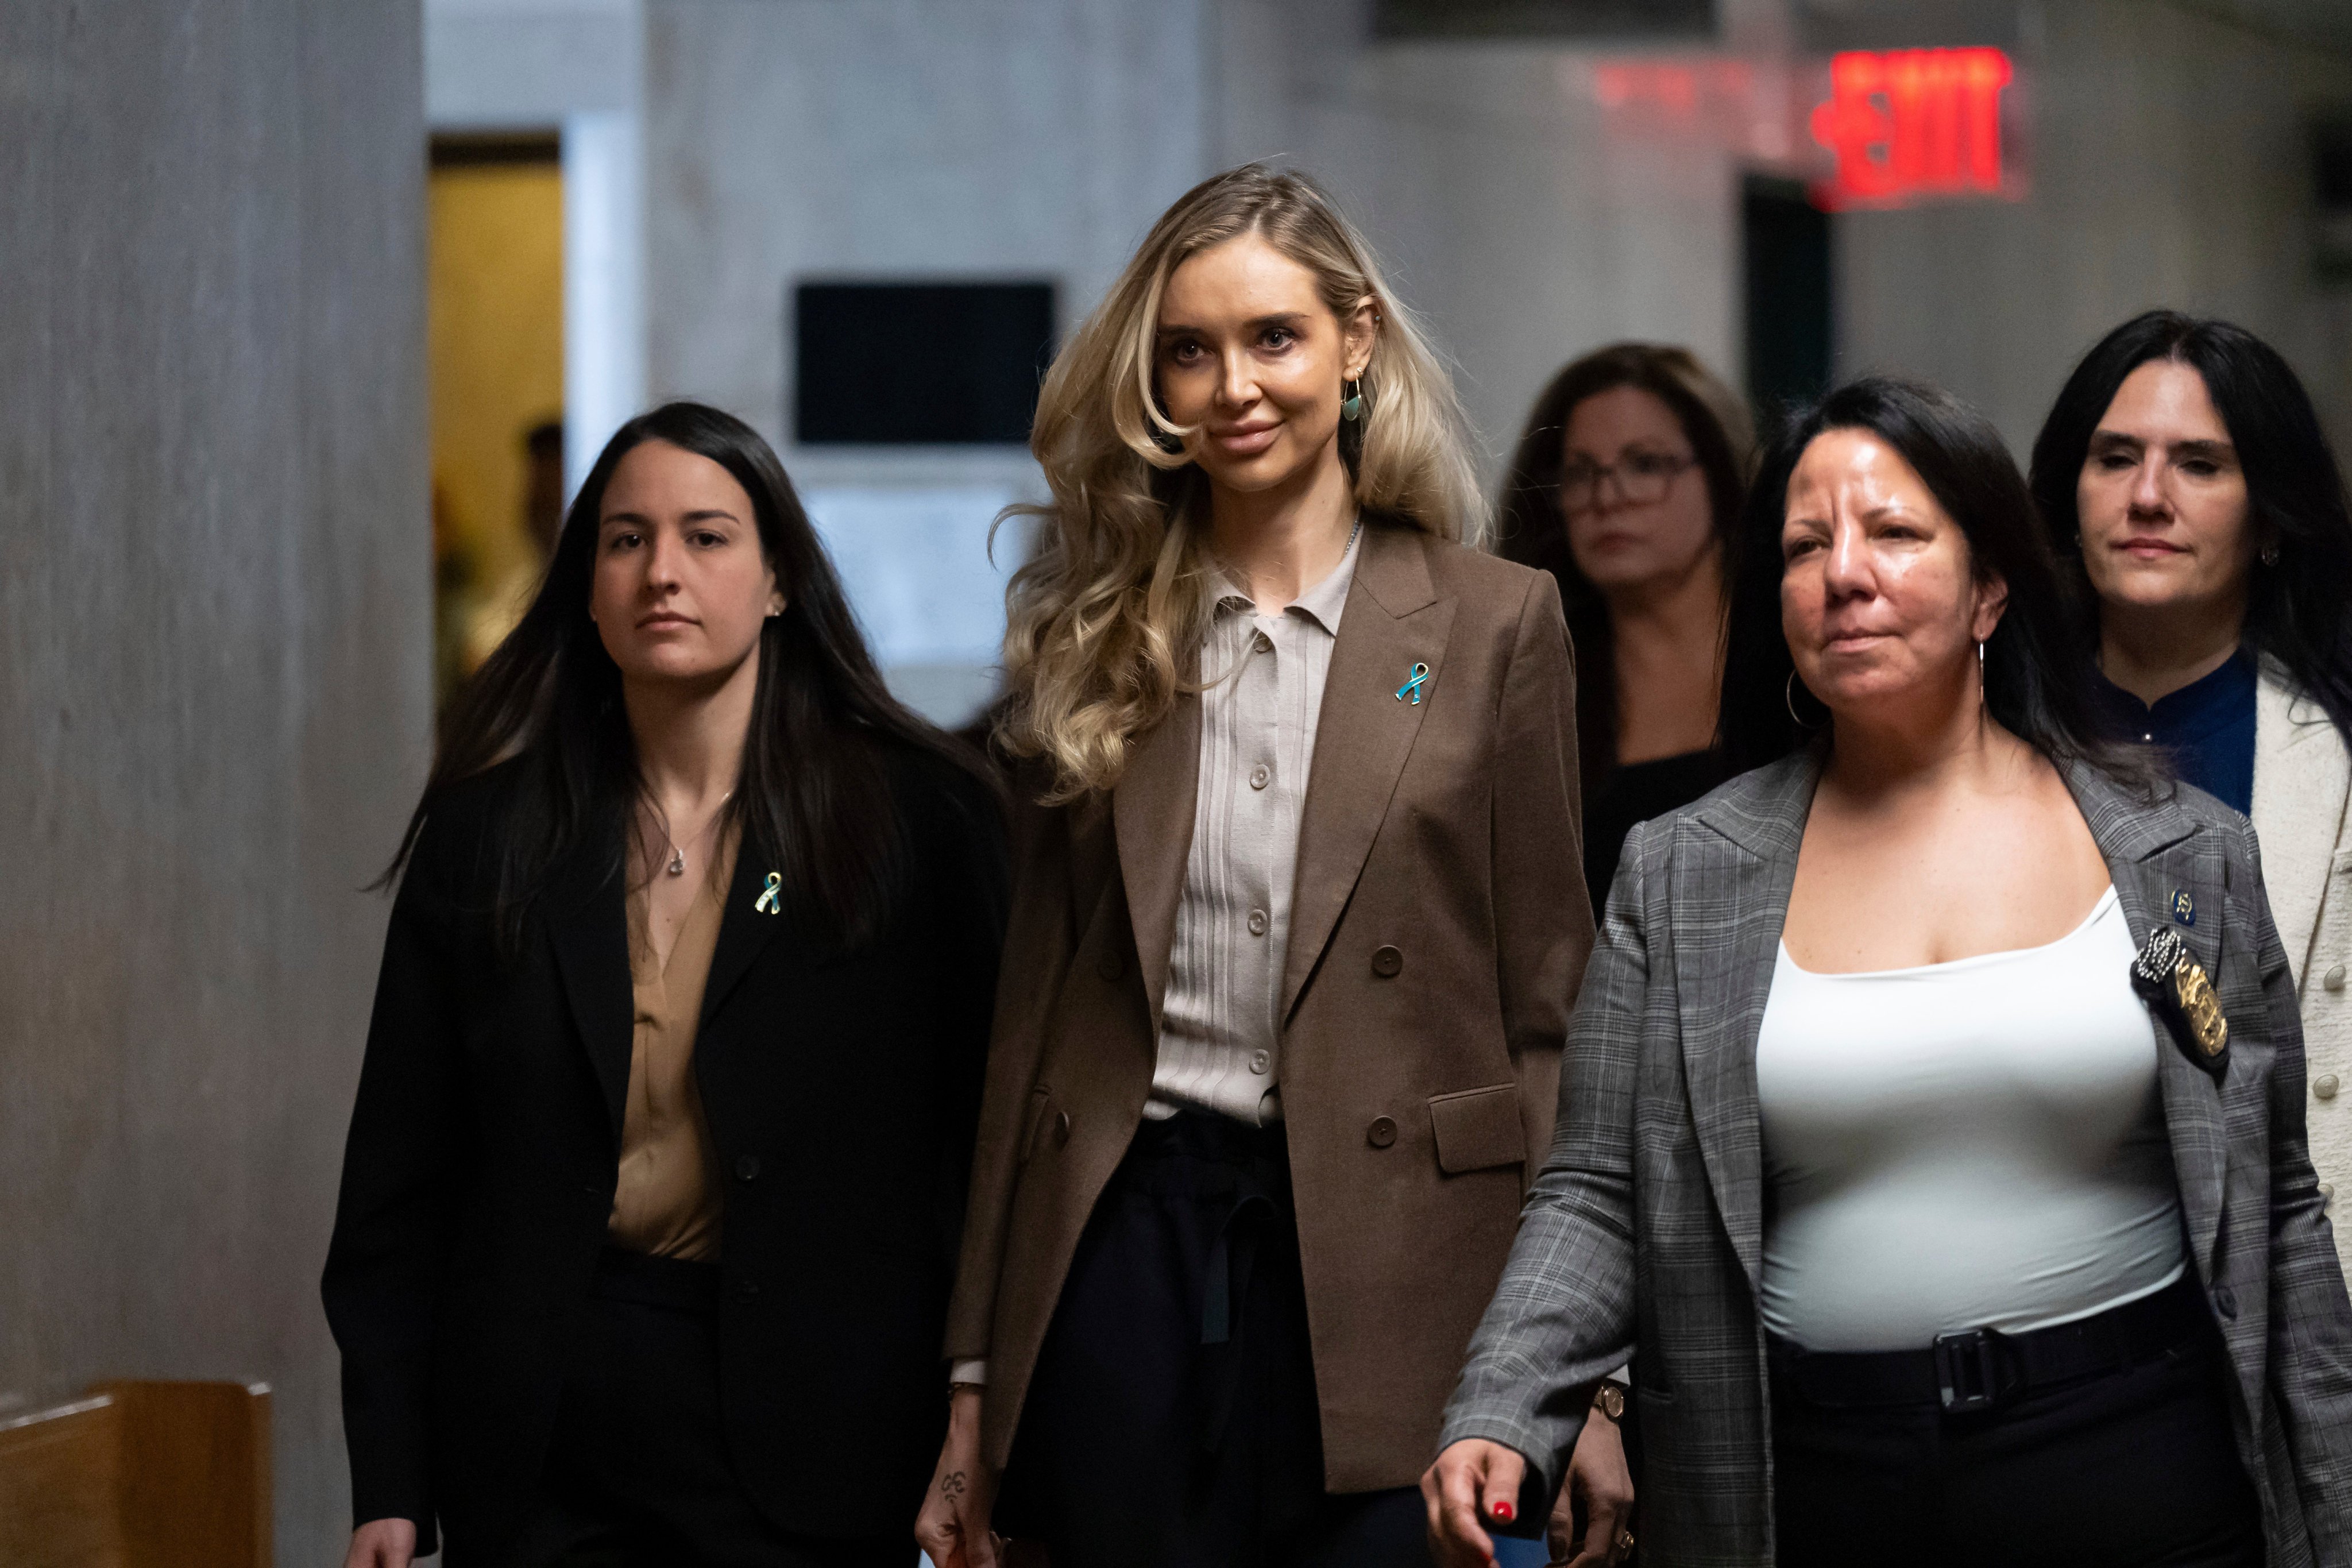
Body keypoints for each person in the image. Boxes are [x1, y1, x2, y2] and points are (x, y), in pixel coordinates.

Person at [1428, 376, 2352, 1567]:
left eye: (1895, 534)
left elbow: (2277, 1207)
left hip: (2134, 1456)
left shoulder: (2177, 848)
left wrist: (2332, 1510)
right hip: (1810, 1476)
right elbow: (1595, 1188)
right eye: (1805, 546)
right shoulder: (1681, 874)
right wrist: (1508, 1403)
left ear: (1989, 587)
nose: (1842, 574)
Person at [913, 163, 1620, 1568]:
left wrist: (1587, 1378)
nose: (1233, 385)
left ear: (1355, 340)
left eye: (1273, 339)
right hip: (1129, 1258)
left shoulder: (1495, 623)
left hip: (1416, 1270)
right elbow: (1032, 1031)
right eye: (1191, 349)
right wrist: (975, 1378)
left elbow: (1552, 1018)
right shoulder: (1103, 629)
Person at [324, 402, 1008, 1568]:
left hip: (817, 1437)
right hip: (538, 1442)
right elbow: (399, 1186)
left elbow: (982, 1151)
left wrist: (973, 1406)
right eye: (626, 540)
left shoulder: (914, 824)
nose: (663, 573)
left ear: (780, 577)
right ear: (586, 586)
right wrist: (389, 1481)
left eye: (707, 536)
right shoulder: (489, 837)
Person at [2030, 311, 2352, 1275]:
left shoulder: (2334, 746)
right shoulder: (1988, 736)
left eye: (2200, 465)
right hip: (2061, 1287)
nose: (2149, 497)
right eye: (2116, 457)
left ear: (2268, 519)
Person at [1496, 345, 1752, 913]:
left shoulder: (1794, 668)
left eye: (1645, 464)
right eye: (1580, 473)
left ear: (1720, 472)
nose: (1608, 498)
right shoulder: (1530, 699)